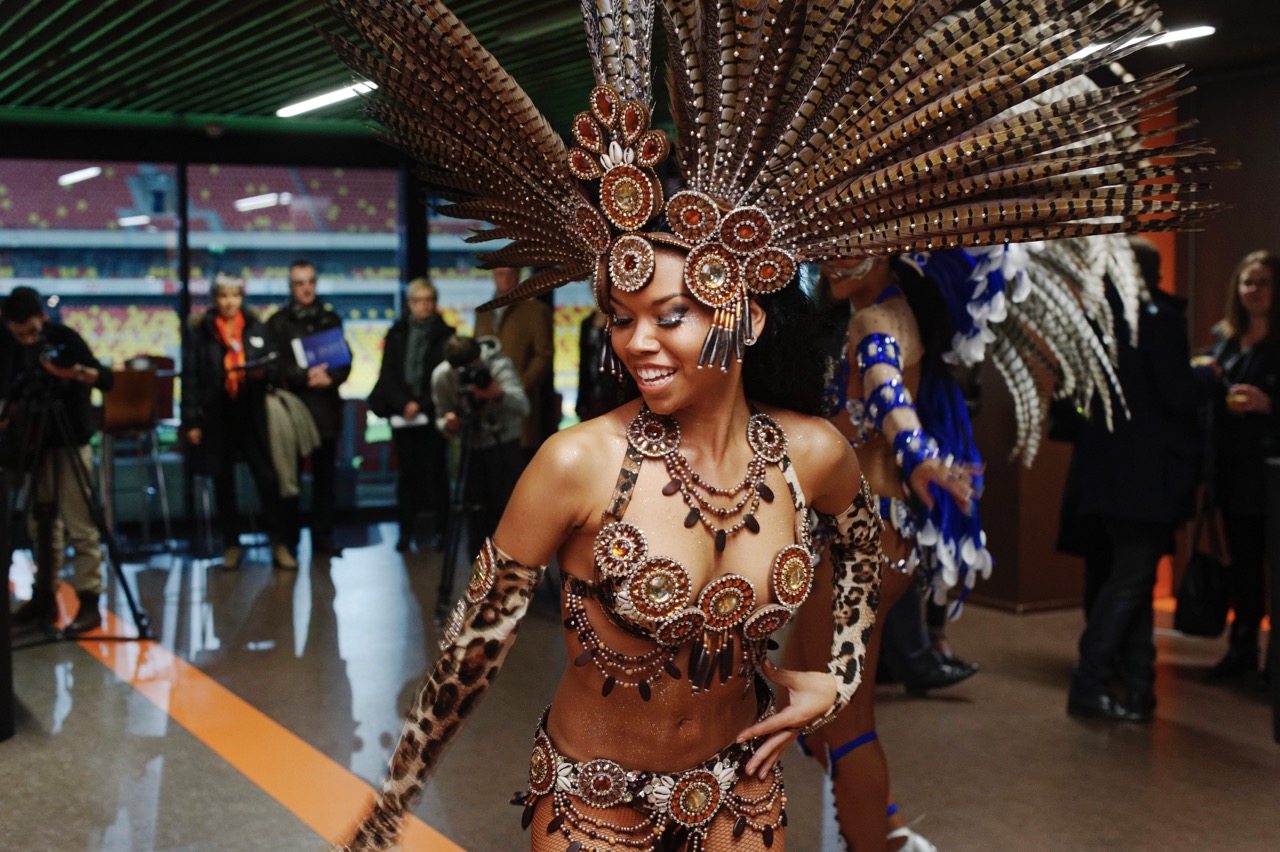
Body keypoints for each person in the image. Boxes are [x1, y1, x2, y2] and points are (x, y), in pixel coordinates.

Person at [325, 2, 1220, 849]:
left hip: (741, 795)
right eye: (619, 317)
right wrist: (393, 803)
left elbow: (865, 556)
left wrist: (834, 670)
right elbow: (469, 653)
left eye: (670, 315)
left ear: (746, 320)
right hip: (593, 803)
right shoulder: (575, 465)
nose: (638, 341)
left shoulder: (813, 454)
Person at [789, 255, 980, 852]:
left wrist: (918, 450)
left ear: (894, 244)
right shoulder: (891, 309)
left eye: (858, 241)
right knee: (802, 708)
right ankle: (888, 830)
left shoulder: (874, 321)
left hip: (859, 545)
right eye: (832, 241)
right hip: (870, 539)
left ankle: (877, 840)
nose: (837, 256)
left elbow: (887, 389)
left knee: (842, 726)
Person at [1058, 238, 1216, 721]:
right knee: (1130, 581)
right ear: (1155, 272)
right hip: (1149, 476)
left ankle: (1138, 686)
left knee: (1133, 577)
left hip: (1105, 474)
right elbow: (1176, 391)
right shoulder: (1159, 320)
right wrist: (1210, 377)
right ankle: (1089, 682)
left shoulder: (1095, 321)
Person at [2, 286, 113, 635]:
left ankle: (90, 600)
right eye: (19, 334)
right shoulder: (11, 350)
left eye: (32, 332)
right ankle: (43, 597)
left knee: (79, 522)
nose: (26, 340)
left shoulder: (64, 339)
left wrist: (73, 373)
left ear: (43, 319)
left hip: (70, 441)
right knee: (41, 524)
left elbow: (105, 379)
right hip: (34, 445)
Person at [1203, 250, 1280, 680]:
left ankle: (1276, 664)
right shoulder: (1226, 343)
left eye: (1264, 282)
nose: (1254, 291)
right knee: (1243, 569)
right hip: (1233, 474)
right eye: (1248, 282)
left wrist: (1270, 405)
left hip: (1272, 474)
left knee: (1275, 568)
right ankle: (1241, 650)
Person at [185, 273, 294, 570]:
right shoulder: (202, 332)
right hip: (217, 413)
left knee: (267, 478)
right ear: (214, 298)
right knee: (223, 482)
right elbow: (192, 377)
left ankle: (278, 542)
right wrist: (192, 420)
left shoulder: (257, 327)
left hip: (252, 410)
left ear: (242, 296)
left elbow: (275, 367)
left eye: (234, 295)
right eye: (223, 296)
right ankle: (231, 544)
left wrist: (262, 374)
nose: (229, 302)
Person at [266, 260, 350, 556]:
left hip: (326, 411)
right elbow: (273, 366)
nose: (306, 288)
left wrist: (330, 377)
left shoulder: (330, 319)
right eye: (300, 283)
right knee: (290, 481)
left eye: (310, 282)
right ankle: (288, 542)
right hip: (292, 414)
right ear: (291, 288)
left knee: (325, 482)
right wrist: (303, 376)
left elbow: (345, 362)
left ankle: (323, 541)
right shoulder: (277, 323)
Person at [367, 278, 454, 552]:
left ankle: (441, 533)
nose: (424, 306)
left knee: (436, 475)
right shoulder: (397, 333)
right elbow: (388, 374)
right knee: (408, 477)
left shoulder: (446, 334)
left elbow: (446, 376)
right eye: (418, 301)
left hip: (432, 414)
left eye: (428, 300)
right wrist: (404, 403)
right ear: (410, 304)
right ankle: (405, 534)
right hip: (402, 416)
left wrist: (422, 404)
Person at [430, 334, 528, 558]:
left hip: (502, 442)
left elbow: (523, 406)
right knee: (475, 515)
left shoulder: (498, 366)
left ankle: (513, 566)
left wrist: (498, 395)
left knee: (508, 510)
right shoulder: (442, 377)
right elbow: (440, 417)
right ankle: (478, 569)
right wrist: (449, 424)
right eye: (461, 371)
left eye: (472, 368)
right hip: (471, 447)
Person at [474, 267, 554, 456]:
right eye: (500, 274)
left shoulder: (535, 310)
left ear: (518, 276)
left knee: (517, 463)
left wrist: (519, 385)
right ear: (494, 276)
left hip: (520, 404)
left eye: (510, 274)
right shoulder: (483, 311)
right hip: (487, 403)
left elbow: (544, 354)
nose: (506, 279)